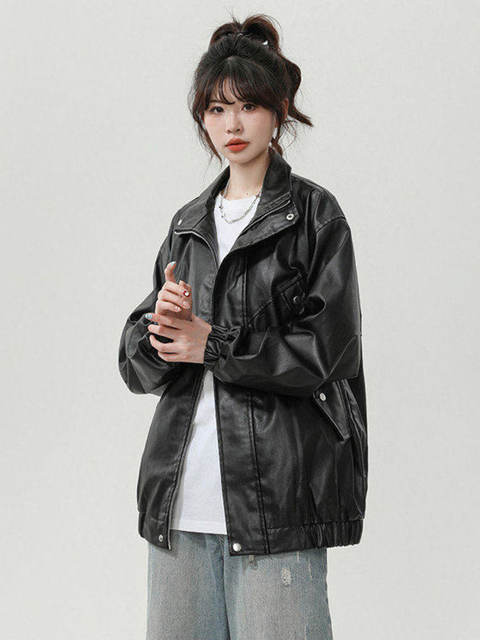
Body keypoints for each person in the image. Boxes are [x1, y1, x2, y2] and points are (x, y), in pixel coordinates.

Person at [118, 12, 368, 640]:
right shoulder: (188, 225)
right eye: (217, 108)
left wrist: (214, 344)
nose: (232, 124)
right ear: (202, 118)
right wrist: (162, 331)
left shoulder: (314, 216)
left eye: (248, 106)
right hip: (179, 507)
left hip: (274, 506)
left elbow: (328, 352)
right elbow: (137, 367)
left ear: (278, 112)